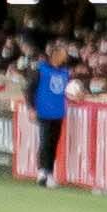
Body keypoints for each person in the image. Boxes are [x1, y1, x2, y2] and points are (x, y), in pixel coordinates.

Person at [31, 41, 71, 187]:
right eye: (63, 54)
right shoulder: (41, 70)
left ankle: (49, 173)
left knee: (53, 143)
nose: (65, 57)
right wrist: (31, 108)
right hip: (44, 111)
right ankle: (42, 171)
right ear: (55, 55)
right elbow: (30, 89)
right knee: (45, 141)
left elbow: (69, 90)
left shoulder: (65, 72)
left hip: (58, 112)